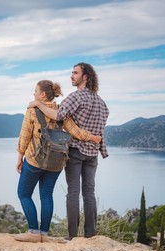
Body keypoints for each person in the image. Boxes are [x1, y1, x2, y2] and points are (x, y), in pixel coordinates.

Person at [28, 63, 109, 240]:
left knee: (73, 192)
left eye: (75, 73)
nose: (71, 76)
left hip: (75, 151)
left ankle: (72, 237)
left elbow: (58, 116)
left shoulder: (75, 97)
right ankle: (90, 235)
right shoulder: (102, 103)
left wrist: (38, 104)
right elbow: (100, 132)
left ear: (85, 77)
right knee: (89, 193)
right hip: (92, 153)